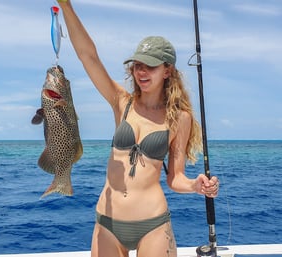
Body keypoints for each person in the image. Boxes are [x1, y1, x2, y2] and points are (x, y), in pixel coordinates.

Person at [57, 1, 220, 256]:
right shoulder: (121, 101)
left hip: (152, 225)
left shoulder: (180, 118)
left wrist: (195, 185)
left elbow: (174, 178)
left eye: (150, 66)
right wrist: (65, 6)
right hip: (107, 222)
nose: (141, 72)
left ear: (167, 71)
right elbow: (87, 56)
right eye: (137, 65)